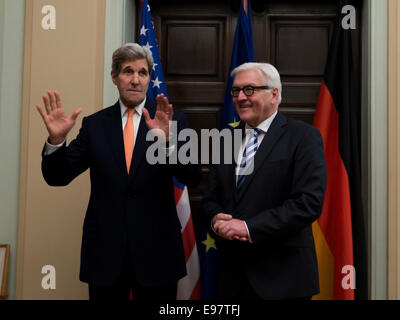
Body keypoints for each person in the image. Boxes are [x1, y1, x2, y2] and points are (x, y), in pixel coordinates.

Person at [36, 43, 201, 300]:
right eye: (127, 71)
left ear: (149, 78)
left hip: (157, 252)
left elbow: (192, 176)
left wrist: (168, 143)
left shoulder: (173, 121)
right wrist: (56, 141)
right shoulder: (95, 126)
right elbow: (58, 177)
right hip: (105, 254)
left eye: (143, 73)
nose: (135, 80)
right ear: (114, 77)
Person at [201, 62, 327, 300]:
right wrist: (215, 218)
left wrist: (248, 227)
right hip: (232, 278)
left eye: (249, 89)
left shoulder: (303, 137)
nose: (240, 97)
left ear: (274, 94)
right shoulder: (226, 138)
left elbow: (308, 203)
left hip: (283, 279)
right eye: (236, 91)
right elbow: (210, 199)